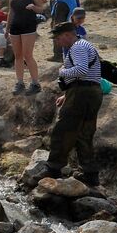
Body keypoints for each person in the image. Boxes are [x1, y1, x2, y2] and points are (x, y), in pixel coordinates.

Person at [44, 21, 103, 185]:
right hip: (91, 92)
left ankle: (53, 170)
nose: (57, 42)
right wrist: (67, 94)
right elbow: (88, 74)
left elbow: (82, 70)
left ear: (68, 35)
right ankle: (91, 176)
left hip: (82, 93)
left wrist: (62, 71)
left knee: (63, 131)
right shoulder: (85, 45)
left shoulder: (77, 47)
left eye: (58, 38)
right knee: (85, 134)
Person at [7, 0, 43, 95]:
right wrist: (7, 28)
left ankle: (35, 83)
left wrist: (34, 7)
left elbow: (41, 9)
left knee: (28, 55)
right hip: (15, 27)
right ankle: (20, 82)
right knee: (18, 56)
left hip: (28, 26)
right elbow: (11, 12)